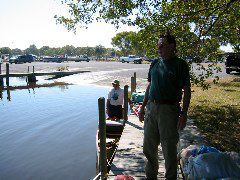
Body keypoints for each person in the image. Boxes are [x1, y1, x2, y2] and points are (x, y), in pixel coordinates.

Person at [139, 34, 191, 179]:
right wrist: (143, 106)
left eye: (162, 45)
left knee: (169, 149)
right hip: (151, 108)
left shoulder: (180, 65)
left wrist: (184, 114)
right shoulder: (155, 63)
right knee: (148, 147)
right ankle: (151, 177)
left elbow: (186, 90)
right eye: (158, 45)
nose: (159, 48)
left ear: (172, 46)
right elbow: (150, 86)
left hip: (169, 111)